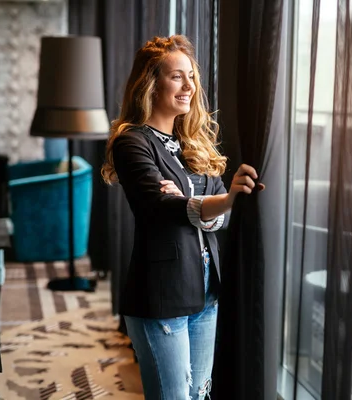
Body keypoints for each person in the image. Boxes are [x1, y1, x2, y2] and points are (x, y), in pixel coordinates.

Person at [101, 35, 263, 399]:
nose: (189, 86)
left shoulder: (193, 144)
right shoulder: (133, 142)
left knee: (198, 395)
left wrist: (199, 203)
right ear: (150, 83)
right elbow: (160, 209)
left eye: (191, 77)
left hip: (205, 289)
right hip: (161, 294)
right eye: (177, 77)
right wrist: (213, 200)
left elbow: (216, 218)